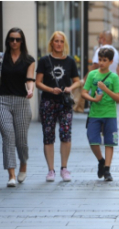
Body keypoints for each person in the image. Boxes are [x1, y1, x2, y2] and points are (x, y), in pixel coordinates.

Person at [0, 28, 35, 187]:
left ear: (22, 41)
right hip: (2, 101)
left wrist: (30, 90)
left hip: (21, 101)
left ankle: (23, 165)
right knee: (8, 136)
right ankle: (11, 175)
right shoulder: (1, 58)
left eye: (17, 39)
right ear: (8, 41)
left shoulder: (29, 59)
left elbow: (29, 79)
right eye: (11, 39)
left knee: (21, 140)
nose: (14, 42)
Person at [35, 31, 80, 183]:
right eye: (56, 41)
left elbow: (77, 81)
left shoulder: (70, 61)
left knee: (66, 133)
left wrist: (70, 88)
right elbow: (38, 82)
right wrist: (50, 89)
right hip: (48, 101)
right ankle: (51, 170)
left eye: (61, 41)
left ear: (64, 43)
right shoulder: (44, 61)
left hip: (64, 102)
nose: (59, 44)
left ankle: (64, 168)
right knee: (48, 135)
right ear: (52, 43)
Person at [81, 47, 119, 182]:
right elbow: (84, 92)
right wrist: (94, 100)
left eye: (105, 60)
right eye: (100, 60)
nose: (101, 63)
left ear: (110, 62)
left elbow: (118, 98)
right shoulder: (92, 74)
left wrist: (105, 89)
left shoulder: (114, 77)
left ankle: (107, 170)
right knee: (92, 139)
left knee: (110, 142)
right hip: (94, 114)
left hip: (110, 114)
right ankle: (101, 160)